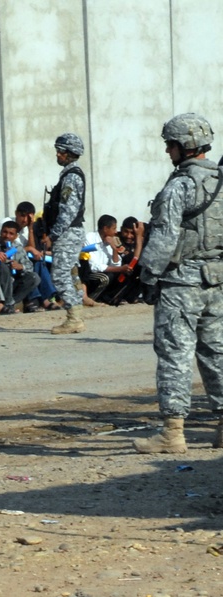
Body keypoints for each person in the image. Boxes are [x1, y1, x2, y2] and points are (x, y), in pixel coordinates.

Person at [132, 113, 223, 454]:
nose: (167, 151)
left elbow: (165, 238)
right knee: (217, 353)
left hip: (181, 283)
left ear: (184, 146)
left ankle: (172, 433)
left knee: (175, 354)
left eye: (170, 144)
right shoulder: (220, 181)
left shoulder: (179, 185)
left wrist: (148, 275)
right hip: (216, 280)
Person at [45, 132, 88, 334]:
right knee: (71, 272)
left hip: (68, 233)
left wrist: (53, 235)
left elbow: (68, 210)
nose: (57, 154)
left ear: (67, 153)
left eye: (60, 151)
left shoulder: (71, 177)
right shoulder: (71, 175)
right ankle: (76, 314)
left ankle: (74, 317)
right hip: (72, 232)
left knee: (60, 274)